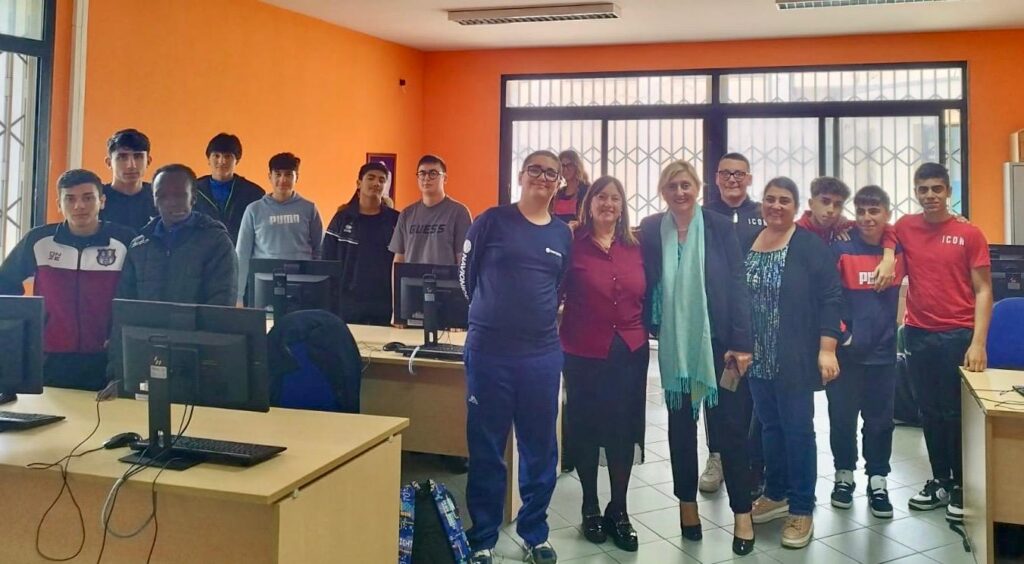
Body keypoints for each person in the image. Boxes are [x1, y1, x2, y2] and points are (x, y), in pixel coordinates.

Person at [460, 150, 572, 564]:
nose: (543, 177)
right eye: (535, 170)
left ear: (559, 183)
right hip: (489, 353)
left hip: (541, 355)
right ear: (521, 175)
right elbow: (466, 277)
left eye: (551, 173)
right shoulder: (491, 220)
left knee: (540, 448)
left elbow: (559, 286)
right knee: (487, 447)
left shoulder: (562, 234)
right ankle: (483, 537)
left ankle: (534, 533)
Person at [639, 160, 756, 557]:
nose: (680, 192)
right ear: (663, 191)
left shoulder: (719, 226)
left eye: (686, 185)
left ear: (697, 188)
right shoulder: (652, 229)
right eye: (672, 186)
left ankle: (742, 513)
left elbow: (737, 284)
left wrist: (742, 342)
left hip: (720, 345)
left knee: (731, 431)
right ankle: (686, 506)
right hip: (675, 346)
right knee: (680, 430)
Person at [745, 177, 843, 549]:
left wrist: (827, 348)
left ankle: (801, 507)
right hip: (756, 358)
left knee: (798, 430)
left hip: (794, 356)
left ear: (795, 206)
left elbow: (831, 297)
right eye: (770, 199)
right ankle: (776, 493)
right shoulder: (750, 240)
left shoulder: (808, 246)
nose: (776, 206)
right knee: (770, 427)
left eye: (784, 200)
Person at [898, 162, 992, 523]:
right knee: (928, 411)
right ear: (916, 192)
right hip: (918, 333)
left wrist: (978, 343)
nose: (930, 196)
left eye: (936, 189)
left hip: (958, 335)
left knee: (956, 413)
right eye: (923, 189)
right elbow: (875, 233)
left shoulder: (969, 233)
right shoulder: (905, 227)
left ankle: (963, 485)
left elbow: (984, 290)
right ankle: (939, 480)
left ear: (948, 191)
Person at [560, 176, 647, 552]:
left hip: (629, 350)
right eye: (601, 197)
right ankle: (590, 506)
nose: (608, 203)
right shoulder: (571, 242)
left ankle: (619, 509)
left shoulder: (637, 246)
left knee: (622, 430)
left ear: (622, 205)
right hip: (582, 349)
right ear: (589, 203)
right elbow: (552, 290)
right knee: (585, 427)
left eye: (615, 198)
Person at [0, 169, 135, 391]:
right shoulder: (39, 240)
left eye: (88, 198)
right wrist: (22, 331)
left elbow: (137, 295)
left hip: (107, 357)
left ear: (102, 201)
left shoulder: (124, 241)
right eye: (70, 199)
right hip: (48, 356)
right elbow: (5, 283)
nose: (79, 206)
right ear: (59, 204)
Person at [829, 185, 906, 518]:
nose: (866, 218)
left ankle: (878, 480)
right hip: (846, 355)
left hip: (883, 355)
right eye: (860, 211)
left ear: (886, 214)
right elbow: (826, 297)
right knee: (841, 419)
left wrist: (889, 254)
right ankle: (844, 475)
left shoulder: (898, 251)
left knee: (879, 422)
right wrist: (843, 336)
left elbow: (900, 232)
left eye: (874, 211)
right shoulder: (841, 246)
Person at [701, 151, 765, 496]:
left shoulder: (763, 213)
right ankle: (717, 456)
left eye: (739, 174)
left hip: (760, 321)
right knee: (716, 392)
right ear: (716, 178)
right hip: (715, 322)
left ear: (749, 178)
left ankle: (754, 462)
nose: (732, 179)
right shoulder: (704, 215)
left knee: (754, 396)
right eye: (726, 173)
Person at [117, 164, 237, 306]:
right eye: (162, 196)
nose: (172, 202)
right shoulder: (139, 246)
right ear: (154, 200)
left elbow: (222, 302)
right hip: (147, 322)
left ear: (193, 198)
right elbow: (126, 304)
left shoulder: (216, 242)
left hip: (198, 322)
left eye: (180, 195)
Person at [235, 152, 323, 304]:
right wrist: (238, 295)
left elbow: (319, 250)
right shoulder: (254, 210)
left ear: (297, 177)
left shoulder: (309, 209)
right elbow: (242, 254)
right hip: (264, 286)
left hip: (302, 287)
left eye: (288, 174)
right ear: (270, 176)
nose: (283, 180)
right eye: (278, 174)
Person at [323, 162, 399, 325]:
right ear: (359, 183)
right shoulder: (342, 218)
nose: (376, 183)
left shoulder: (395, 220)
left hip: (384, 305)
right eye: (371, 178)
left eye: (381, 180)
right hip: (347, 304)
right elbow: (327, 261)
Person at [389, 154, 472, 266]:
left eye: (433, 173)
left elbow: (463, 260)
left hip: (444, 277)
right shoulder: (406, 214)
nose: (426, 178)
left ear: (445, 178)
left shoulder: (459, 213)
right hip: (411, 277)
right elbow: (399, 259)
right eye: (422, 173)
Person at [194, 132, 266, 243]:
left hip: (240, 251)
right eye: (216, 156)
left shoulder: (253, 193)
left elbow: (261, 231)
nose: (221, 161)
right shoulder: (192, 191)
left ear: (237, 160)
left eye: (227, 156)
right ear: (208, 159)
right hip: (202, 251)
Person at [99, 128, 156, 231]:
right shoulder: (96, 199)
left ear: (148, 161)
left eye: (138, 157)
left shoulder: (159, 197)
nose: (131, 165)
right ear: (109, 163)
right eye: (122, 157)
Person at [551, 149, 590, 225]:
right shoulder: (559, 192)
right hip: (558, 231)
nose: (565, 169)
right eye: (562, 166)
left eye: (569, 165)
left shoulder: (587, 190)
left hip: (579, 231)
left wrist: (578, 224)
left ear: (577, 166)